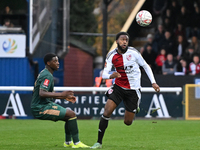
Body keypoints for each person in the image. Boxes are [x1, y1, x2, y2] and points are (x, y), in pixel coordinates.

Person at [90, 32, 160, 149]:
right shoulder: (111, 55)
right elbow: (105, 74)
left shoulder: (134, 53)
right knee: (106, 112)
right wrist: (111, 75)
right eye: (122, 39)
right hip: (118, 87)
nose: (124, 42)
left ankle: (135, 106)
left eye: (126, 40)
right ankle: (98, 142)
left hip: (133, 90)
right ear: (117, 41)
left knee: (128, 122)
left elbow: (146, 66)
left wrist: (153, 82)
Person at [31, 53, 89, 148]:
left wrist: (64, 97)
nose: (58, 63)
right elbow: (42, 93)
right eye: (55, 61)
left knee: (69, 116)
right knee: (71, 114)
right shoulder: (47, 75)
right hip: (40, 108)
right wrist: (62, 94)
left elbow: (46, 93)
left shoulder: (45, 73)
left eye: (58, 61)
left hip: (44, 104)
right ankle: (76, 143)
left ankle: (68, 142)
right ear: (48, 63)